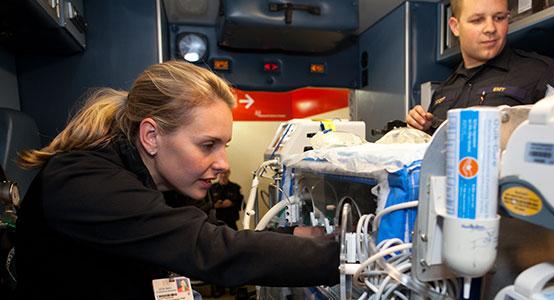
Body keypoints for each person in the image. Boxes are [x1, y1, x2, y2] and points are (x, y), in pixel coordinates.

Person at [15, 60, 339, 300]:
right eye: (207, 145)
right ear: (152, 136)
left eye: (224, 146)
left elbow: (211, 234)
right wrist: (349, 258)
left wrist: (294, 234)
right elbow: (208, 249)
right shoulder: (84, 183)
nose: (222, 163)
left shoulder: (158, 180)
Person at [406, 0, 554, 133]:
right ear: (455, 27)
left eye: (499, 18)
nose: (490, 28)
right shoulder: (443, 92)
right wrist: (422, 130)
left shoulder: (540, 72)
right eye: (477, 20)